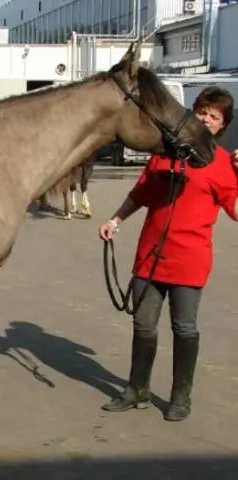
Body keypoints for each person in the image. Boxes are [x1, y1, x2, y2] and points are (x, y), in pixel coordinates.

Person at [98, 86, 238, 422]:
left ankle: (180, 397)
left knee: (184, 329)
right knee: (143, 326)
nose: (206, 119)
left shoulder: (221, 164)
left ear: (222, 126)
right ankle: (137, 390)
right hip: (150, 255)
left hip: (190, 260)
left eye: (214, 116)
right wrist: (115, 218)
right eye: (202, 112)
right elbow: (141, 193)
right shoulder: (164, 152)